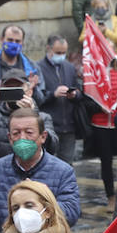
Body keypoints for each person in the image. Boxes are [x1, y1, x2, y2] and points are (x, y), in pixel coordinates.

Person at [38, 34, 84, 164]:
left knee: (67, 165)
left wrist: (74, 94)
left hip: (68, 126)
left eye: (64, 52)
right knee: (47, 164)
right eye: (58, 52)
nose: (61, 55)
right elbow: (37, 97)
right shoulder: (38, 67)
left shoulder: (69, 67)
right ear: (49, 49)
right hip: (49, 126)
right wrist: (53, 94)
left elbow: (79, 91)